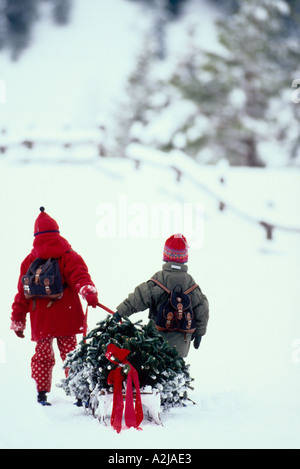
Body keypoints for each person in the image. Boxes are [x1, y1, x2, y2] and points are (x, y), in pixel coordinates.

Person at [10, 207, 98, 406]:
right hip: (66, 317)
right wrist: (88, 291)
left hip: (41, 319)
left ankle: (39, 395)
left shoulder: (29, 261)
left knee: (42, 356)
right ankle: (79, 394)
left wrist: (18, 319)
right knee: (71, 355)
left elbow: (21, 293)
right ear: (57, 232)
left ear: (36, 236)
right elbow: (80, 276)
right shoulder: (68, 255)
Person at [114, 234, 209, 358]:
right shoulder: (191, 284)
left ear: (166, 255)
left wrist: (120, 313)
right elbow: (203, 309)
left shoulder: (159, 279)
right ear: (185, 257)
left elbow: (139, 297)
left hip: (155, 341)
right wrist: (199, 334)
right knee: (174, 373)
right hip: (181, 346)